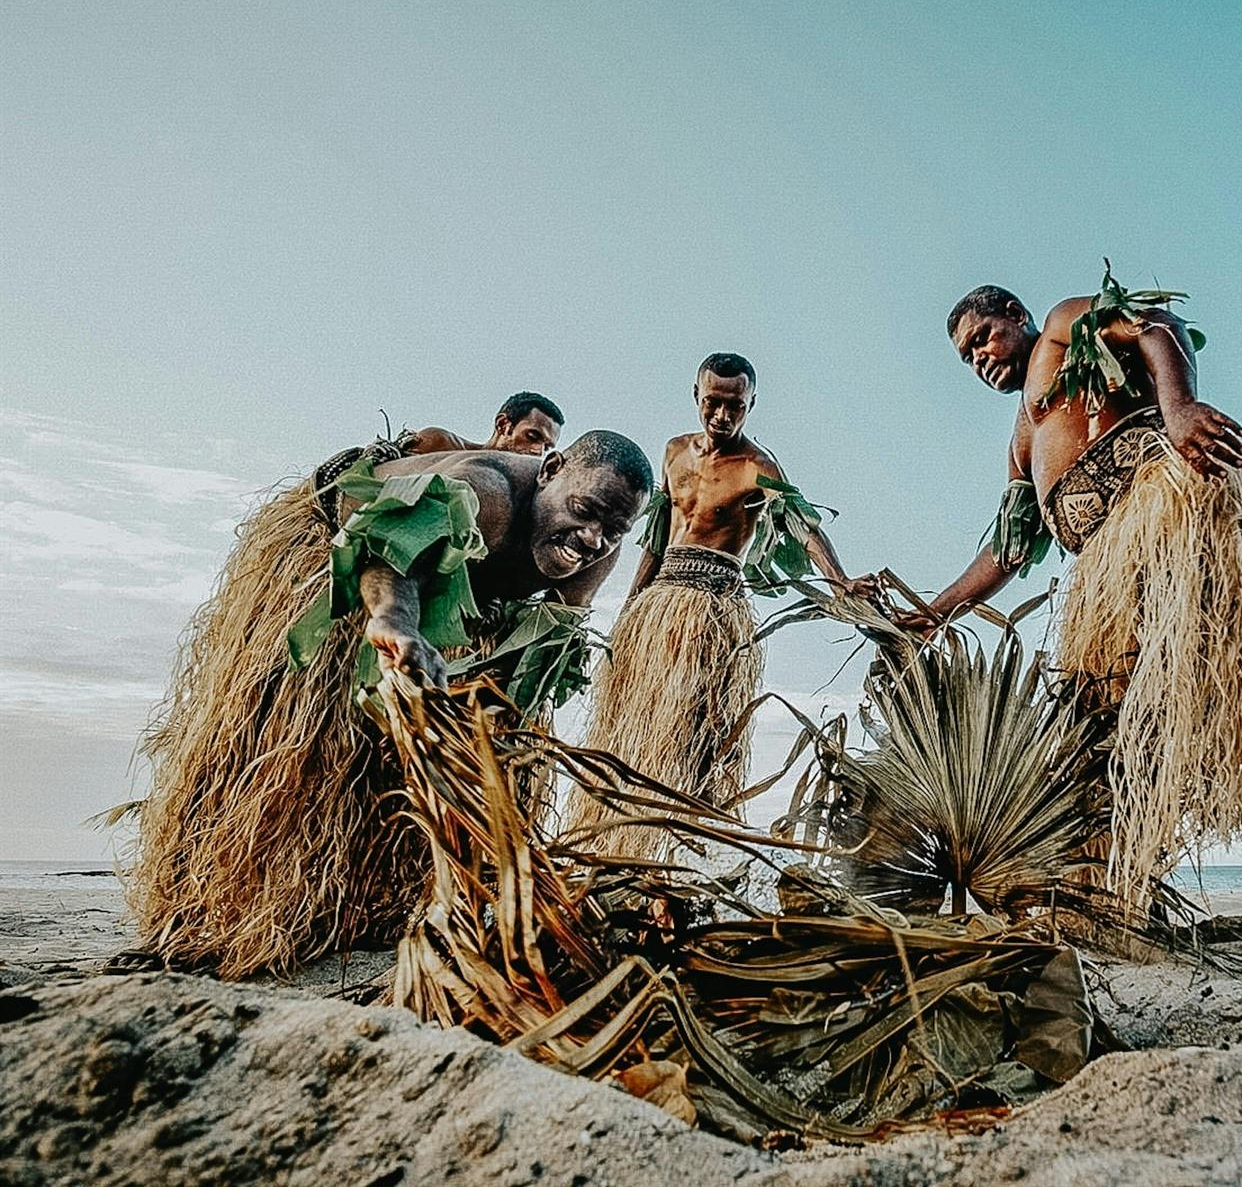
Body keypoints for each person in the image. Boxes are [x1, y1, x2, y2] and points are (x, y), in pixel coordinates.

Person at [903, 275, 1242, 976]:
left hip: (1171, 515)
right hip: (1106, 569)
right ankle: (1112, 891)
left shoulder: (1065, 325)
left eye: (982, 337)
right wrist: (931, 612)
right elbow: (1012, 546)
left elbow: (1154, 327)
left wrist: (1180, 408)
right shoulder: (1022, 439)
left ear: (1014, 315)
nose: (979, 358)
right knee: (1098, 727)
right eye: (965, 357)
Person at [129, 430, 652, 978]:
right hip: (342, 545)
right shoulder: (486, 493)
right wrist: (394, 621)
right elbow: (388, 553)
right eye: (584, 511)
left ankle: (372, 910)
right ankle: (213, 909)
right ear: (550, 471)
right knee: (303, 753)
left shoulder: (597, 552)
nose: (591, 538)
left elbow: (550, 642)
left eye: (613, 529)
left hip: (450, 590)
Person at [569, 353, 864, 857]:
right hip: (659, 605)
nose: (723, 416)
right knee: (630, 729)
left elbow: (802, 525)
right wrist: (631, 609)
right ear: (696, 396)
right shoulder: (673, 452)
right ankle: (612, 843)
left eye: (736, 406)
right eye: (713, 403)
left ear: (751, 404)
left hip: (713, 611)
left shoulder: (757, 466)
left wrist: (839, 583)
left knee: (693, 731)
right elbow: (657, 538)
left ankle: (684, 849)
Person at [403, 390, 565, 456]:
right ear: (503, 425)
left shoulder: (526, 494)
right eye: (532, 436)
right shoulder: (442, 444)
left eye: (547, 447)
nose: (539, 452)